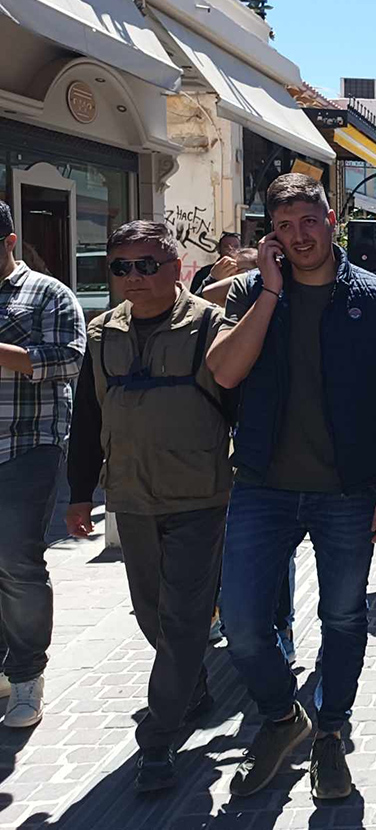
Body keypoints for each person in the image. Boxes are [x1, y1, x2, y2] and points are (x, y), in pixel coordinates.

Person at [206, 173, 376, 800]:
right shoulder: (251, 292)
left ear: (331, 220)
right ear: (270, 235)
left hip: (349, 491)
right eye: (284, 226)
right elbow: (224, 370)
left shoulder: (375, 297)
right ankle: (281, 717)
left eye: (309, 220)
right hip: (262, 485)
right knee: (243, 623)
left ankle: (330, 732)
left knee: (343, 617)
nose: (299, 236)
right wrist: (270, 292)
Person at [65, 220, 232, 792]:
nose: (133, 277)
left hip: (200, 495)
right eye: (121, 267)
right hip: (131, 496)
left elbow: (240, 406)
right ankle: (192, 687)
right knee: (151, 613)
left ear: (176, 266)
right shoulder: (101, 332)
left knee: (183, 618)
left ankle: (157, 739)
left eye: (146, 264)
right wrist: (80, 492)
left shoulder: (210, 325)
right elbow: (88, 417)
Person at [0, 201, 86, 729]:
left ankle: (27, 672)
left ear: (9, 242)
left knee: (15, 559)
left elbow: (71, 359)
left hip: (27, 443)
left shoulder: (48, 293)